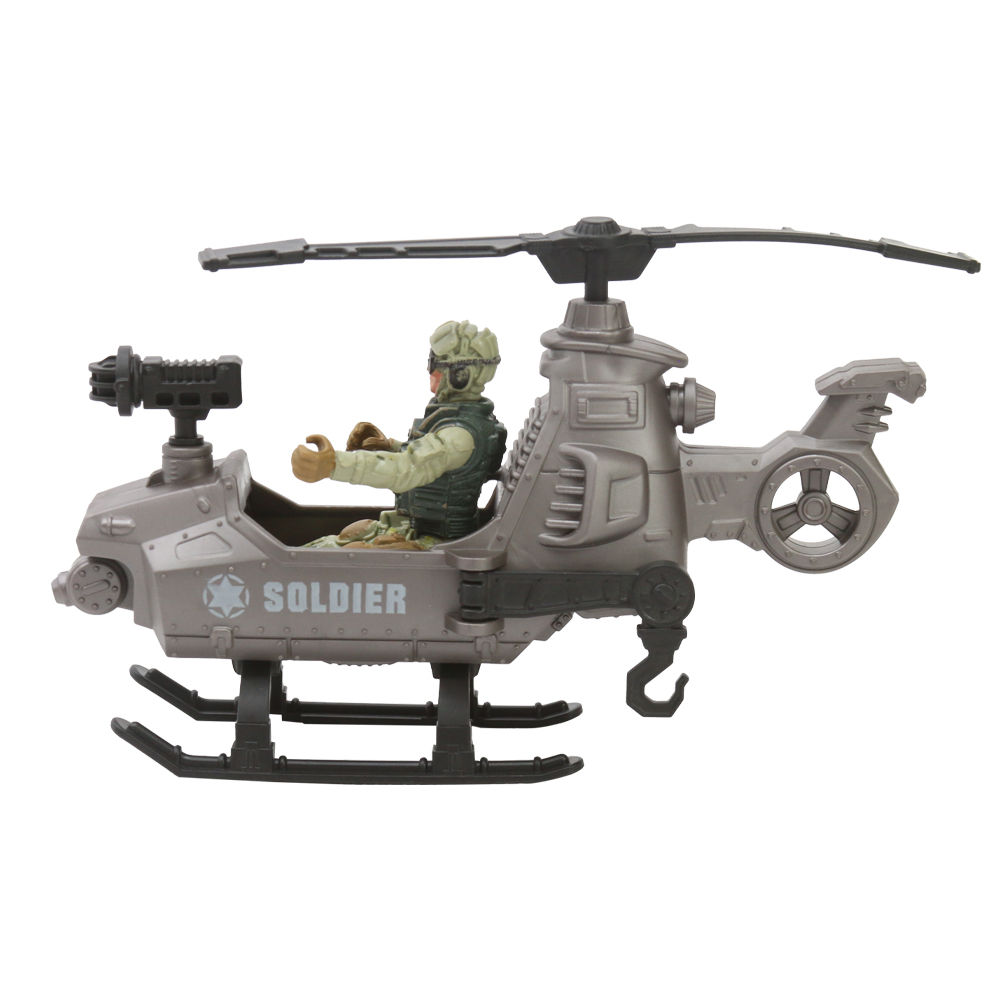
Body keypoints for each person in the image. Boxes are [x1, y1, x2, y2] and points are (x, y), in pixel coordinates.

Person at [291, 320, 506, 550]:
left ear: (460, 375)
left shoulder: (459, 436)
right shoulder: (464, 421)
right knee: (352, 533)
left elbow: (407, 469)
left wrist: (334, 464)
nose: (431, 372)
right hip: (420, 527)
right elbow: (434, 462)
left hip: (438, 543)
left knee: (345, 553)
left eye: (436, 364)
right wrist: (388, 446)